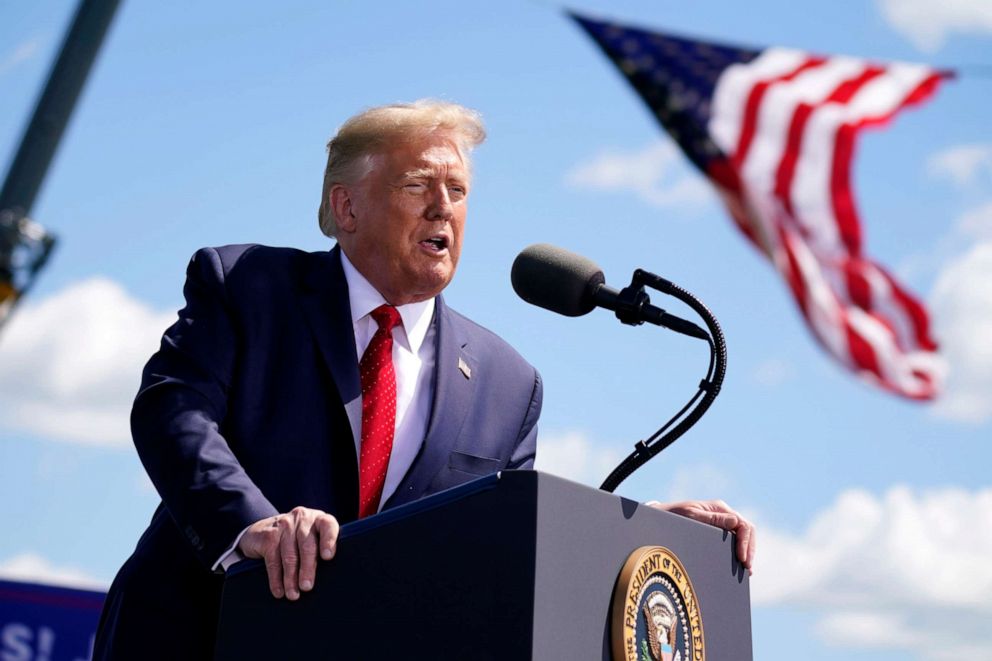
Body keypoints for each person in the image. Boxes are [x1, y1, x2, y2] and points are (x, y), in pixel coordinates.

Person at [93, 100, 754, 659]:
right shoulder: (248, 286)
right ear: (346, 206)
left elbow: (502, 535)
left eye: (458, 191)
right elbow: (172, 412)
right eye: (418, 185)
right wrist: (252, 527)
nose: (444, 208)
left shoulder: (507, 382)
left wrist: (630, 531)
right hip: (198, 635)